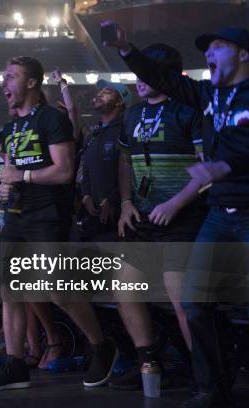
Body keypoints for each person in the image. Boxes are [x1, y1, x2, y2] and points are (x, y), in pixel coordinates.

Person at [104, 23, 249, 408]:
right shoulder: (207, 94)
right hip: (220, 212)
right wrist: (125, 48)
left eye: (218, 46)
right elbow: (162, 80)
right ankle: (208, 388)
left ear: (243, 54)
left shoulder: (236, 99)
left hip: (238, 212)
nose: (210, 54)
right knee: (193, 302)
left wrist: (223, 166)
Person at [0, 56, 118, 391]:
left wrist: (22, 174)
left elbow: (63, 171)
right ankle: (16, 364)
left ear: (32, 82)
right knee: (11, 293)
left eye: (10, 77)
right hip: (16, 218)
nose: (3, 83)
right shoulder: (11, 127)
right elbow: (7, 162)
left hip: (48, 217)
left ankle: (101, 347)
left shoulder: (51, 118)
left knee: (57, 291)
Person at [110, 43, 207, 391]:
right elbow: (125, 162)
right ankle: (150, 364)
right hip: (142, 220)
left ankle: (206, 381)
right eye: (137, 73)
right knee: (124, 289)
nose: (139, 79)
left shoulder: (190, 110)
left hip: (183, 219)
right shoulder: (133, 114)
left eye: (147, 72)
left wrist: (175, 204)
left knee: (182, 301)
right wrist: (124, 202)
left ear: (169, 76)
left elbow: (207, 169)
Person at [80, 80, 131, 242]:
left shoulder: (127, 130)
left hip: (117, 217)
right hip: (91, 216)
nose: (99, 94)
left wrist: (112, 200)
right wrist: (86, 195)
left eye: (107, 92)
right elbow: (85, 169)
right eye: (99, 92)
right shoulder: (92, 135)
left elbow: (132, 171)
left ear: (119, 102)